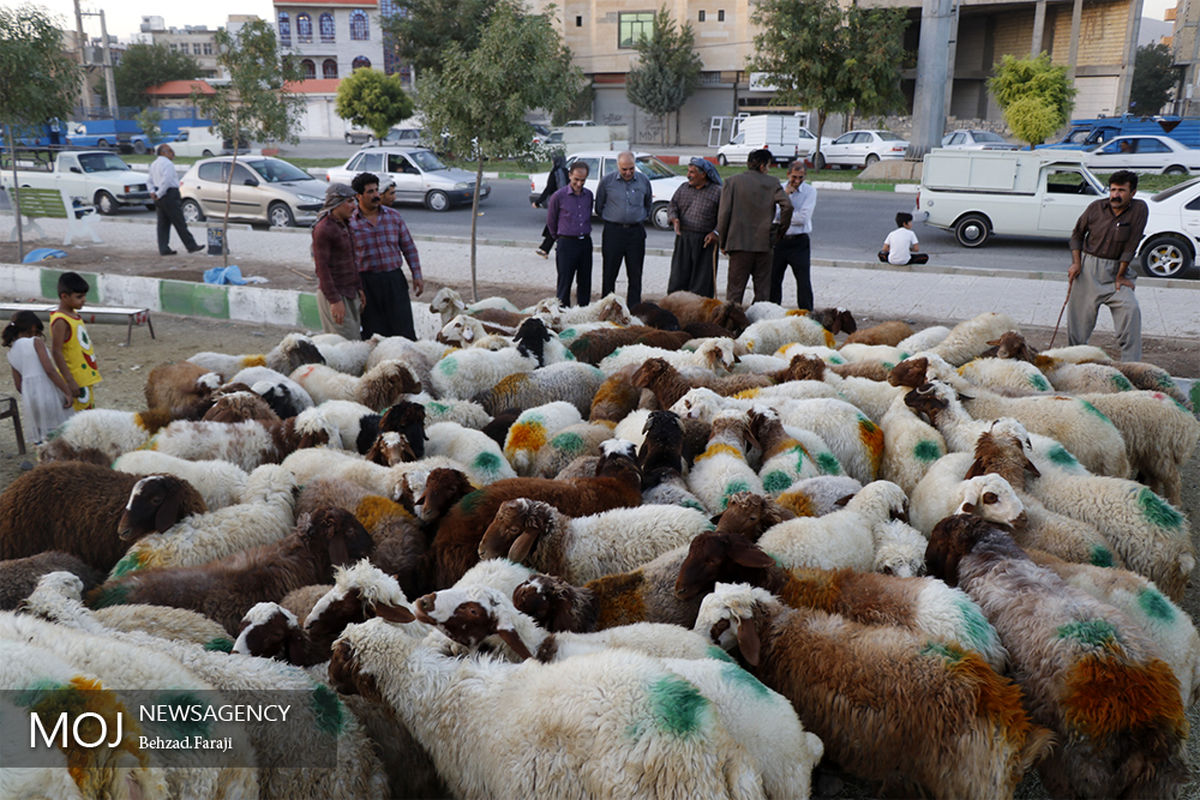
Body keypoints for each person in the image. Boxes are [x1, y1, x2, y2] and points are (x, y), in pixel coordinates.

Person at [1067, 169, 1148, 362]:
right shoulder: (1096, 208)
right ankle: (1075, 366)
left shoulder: (1139, 209)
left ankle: (1131, 368)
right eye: (1113, 190)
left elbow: (1132, 244)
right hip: (1088, 270)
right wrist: (1076, 264)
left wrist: (1121, 276)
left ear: (1133, 193)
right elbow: (1077, 235)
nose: (1115, 195)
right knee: (1078, 326)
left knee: (1131, 310)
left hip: (1118, 273)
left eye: (1121, 190)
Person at [348, 171, 425, 341]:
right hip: (367, 284)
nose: (376, 195)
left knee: (404, 331)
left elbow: (409, 247)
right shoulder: (350, 223)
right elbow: (347, 259)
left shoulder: (393, 216)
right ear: (358, 196)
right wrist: (356, 287)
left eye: (376, 190)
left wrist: (417, 275)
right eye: (370, 192)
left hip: (394, 281)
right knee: (375, 335)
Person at [716, 148, 793, 305]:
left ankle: (732, 325)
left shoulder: (732, 182)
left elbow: (724, 214)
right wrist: (779, 231)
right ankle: (757, 325)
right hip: (764, 245)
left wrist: (722, 242)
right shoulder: (772, 183)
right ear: (763, 165)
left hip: (738, 245)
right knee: (762, 292)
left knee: (734, 293)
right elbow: (788, 207)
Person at [3, 310, 74, 444]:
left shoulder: (11, 352)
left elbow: (18, 384)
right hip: (48, 393)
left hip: (31, 398)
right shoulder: (35, 342)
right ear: (33, 328)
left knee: (42, 435)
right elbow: (50, 370)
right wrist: (66, 391)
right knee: (59, 432)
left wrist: (32, 394)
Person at [595, 151, 652, 306]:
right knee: (609, 273)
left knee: (635, 274)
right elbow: (599, 206)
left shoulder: (644, 181)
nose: (628, 172)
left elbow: (648, 205)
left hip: (636, 233)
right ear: (617, 166)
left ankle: (633, 309)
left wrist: (636, 217)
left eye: (631, 168)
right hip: (614, 232)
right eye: (624, 169)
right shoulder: (607, 182)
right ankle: (607, 307)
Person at [312, 183, 365, 339]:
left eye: (354, 201)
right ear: (336, 203)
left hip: (350, 292)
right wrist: (334, 301)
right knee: (344, 346)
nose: (354, 206)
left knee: (355, 341)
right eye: (349, 202)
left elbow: (352, 260)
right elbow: (322, 269)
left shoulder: (344, 225)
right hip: (335, 295)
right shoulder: (324, 228)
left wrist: (359, 287)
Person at [666, 157, 722, 297]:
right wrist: (674, 218)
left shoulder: (717, 192)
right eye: (688, 171)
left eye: (692, 172)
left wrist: (716, 233)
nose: (688, 175)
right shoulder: (683, 188)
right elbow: (672, 205)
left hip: (705, 241)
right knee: (678, 277)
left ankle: (697, 313)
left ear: (703, 174)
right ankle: (675, 308)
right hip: (683, 238)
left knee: (702, 281)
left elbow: (725, 216)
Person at [49, 271, 101, 411]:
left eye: (84, 296)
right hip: (75, 379)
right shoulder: (60, 320)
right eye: (79, 297)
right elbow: (56, 351)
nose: (83, 300)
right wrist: (70, 381)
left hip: (84, 378)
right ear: (64, 296)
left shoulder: (74, 315)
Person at [770, 160, 818, 310]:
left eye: (800, 178)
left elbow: (803, 218)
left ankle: (807, 313)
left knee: (803, 281)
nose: (796, 181)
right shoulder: (779, 190)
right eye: (794, 177)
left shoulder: (810, 192)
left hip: (799, 241)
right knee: (774, 279)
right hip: (779, 240)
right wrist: (786, 197)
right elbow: (772, 215)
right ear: (788, 174)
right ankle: (772, 311)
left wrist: (783, 215)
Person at [545, 161, 594, 307]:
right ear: (570, 176)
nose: (579, 183)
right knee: (564, 282)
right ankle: (562, 313)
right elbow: (551, 221)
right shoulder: (558, 196)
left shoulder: (588, 195)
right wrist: (559, 238)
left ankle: (583, 311)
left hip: (585, 242)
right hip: (566, 243)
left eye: (582, 180)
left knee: (585, 281)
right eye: (576, 179)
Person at [147, 143, 203, 256]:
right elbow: (166, 181)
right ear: (163, 152)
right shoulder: (167, 164)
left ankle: (163, 248)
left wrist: (152, 192)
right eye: (170, 151)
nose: (173, 153)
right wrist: (159, 193)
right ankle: (191, 245)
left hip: (160, 195)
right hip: (169, 194)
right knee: (179, 221)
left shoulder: (154, 164)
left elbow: (149, 180)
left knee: (162, 224)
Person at [534, 154, 569, 258]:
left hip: (556, 204)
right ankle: (545, 248)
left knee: (554, 225)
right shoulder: (567, 172)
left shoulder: (555, 173)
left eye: (553, 160)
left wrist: (538, 202)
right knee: (555, 225)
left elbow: (548, 189)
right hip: (567, 203)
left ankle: (548, 248)